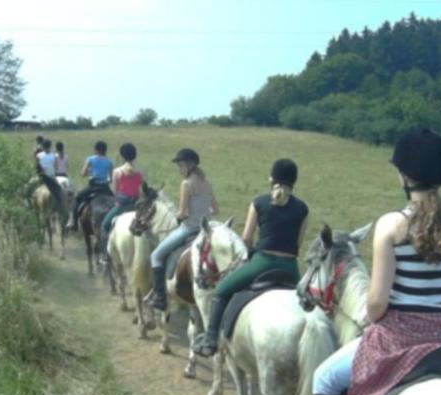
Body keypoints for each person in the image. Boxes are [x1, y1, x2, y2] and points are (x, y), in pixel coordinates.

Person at [310, 128, 441, 395]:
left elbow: (377, 304)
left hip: (400, 342)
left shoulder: (391, 225)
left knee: (325, 379)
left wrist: (371, 316)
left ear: (404, 176)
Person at [192, 158, 309, 357]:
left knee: (220, 292)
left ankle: (211, 339)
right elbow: (297, 245)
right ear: (293, 181)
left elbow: (246, 239)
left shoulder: (259, 202)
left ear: (272, 178)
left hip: (262, 263)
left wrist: (253, 254)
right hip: (290, 268)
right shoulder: (303, 209)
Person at [145, 148, 218, 311]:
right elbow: (215, 210)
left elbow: (183, 212)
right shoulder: (207, 183)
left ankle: (160, 298)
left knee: (156, 256)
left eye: (180, 165)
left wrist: (177, 216)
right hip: (206, 230)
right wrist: (202, 212)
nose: (179, 169)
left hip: (189, 229)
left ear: (189, 165)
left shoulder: (186, 184)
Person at [100, 143, 145, 258]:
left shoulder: (117, 171)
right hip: (136, 205)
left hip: (122, 205)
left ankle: (105, 255)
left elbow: (115, 192)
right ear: (135, 156)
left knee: (104, 225)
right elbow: (141, 192)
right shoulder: (140, 171)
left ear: (122, 156)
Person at [66, 141, 113, 231]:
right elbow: (110, 179)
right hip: (104, 187)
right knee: (114, 202)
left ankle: (73, 222)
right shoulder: (109, 161)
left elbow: (83, 173)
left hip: (93, 186)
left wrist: (91, 173)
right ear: (105, 150)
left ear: (96, 149)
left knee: (77, 198)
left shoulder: (90, 159)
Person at [36, 139, 65, 211]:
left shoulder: (38, 155)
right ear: (50, 146)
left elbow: (37, 166)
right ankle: (61, 206)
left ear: (42, 146)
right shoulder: (54, 156)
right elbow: (57, 168)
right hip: (52, 177)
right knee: (60, 190)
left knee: (30, 188)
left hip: (41, 177)